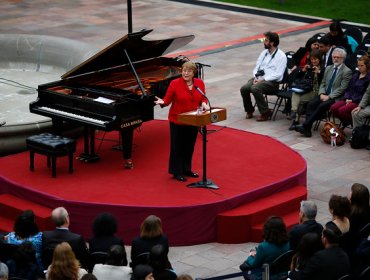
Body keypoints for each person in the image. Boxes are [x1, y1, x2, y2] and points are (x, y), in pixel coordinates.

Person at [154, 61, 208, 182]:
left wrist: (204, 103)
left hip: (193, 120)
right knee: (177, 147)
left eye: (188, 71)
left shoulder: (199, 83)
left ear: (193, 73)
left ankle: (186, 169)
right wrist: (162, 102)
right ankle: (177, 171)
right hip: (177, 120)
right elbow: (167, 100)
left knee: (189, 146)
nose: (185, 73)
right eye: (184, 71)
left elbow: (203, 97)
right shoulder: (175, 83)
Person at [294, 47, 352, 137]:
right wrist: (321, 93)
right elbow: (323, 83)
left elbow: (342, 88)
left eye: (338, 57)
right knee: (311, 104)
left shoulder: (347, 71)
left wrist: (329, 96)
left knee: (322, 106)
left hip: (335, 97)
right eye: (334, 57)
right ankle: (307, 129)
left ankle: (306, 126)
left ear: (343, 59)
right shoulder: (328, 68)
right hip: (324, 94)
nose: (336, 59)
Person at [240, 31, 287, 121]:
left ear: (272, 43)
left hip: (272, 83)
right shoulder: (264, 52)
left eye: (266, 40)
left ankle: (265, 112)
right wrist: (256, 77)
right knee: (244, 88)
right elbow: (256, 67)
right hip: (259, 79)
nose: (264, 42)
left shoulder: (281, 56)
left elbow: (278, 74)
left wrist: (263, 79)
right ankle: (249, 110)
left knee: (255, 88)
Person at [330, 55, 370, 127]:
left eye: (362, 65)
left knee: (342, 110)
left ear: (367, 66)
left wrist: (352, 100)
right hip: (349, 99)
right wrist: (348, 98)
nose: (359, 67)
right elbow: (349, 88)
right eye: (358, 65)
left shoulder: (368, 78)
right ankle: (347, 122)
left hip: (358, 101)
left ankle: (354, 126)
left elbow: (366, 94)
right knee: (333, 108)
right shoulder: (355, 75)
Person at [288, 50, 324, 130]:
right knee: (295, 93)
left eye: (315, 59)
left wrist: (319, 73)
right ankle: (293, 112)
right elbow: (298, 77)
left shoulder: (323, 68)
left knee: (299, 101)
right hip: (304, 88)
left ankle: (295, 119)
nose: (313, 61)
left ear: (319, 59)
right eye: (312, 59)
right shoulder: (308, 66)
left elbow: (324, 82)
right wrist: (303, 71)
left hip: (315, 91)